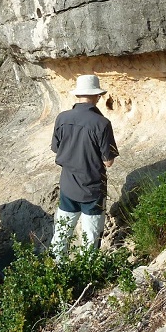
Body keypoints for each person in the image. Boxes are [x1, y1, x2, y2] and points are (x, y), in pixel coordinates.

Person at [51, 74, 119, 261]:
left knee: (61, 235)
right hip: (92, 190)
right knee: (90, 238)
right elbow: (108, 161)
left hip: (68, 187)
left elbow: (55, 149)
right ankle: (87, 276)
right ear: (97, 96)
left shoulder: (62, 118)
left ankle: (59, 271)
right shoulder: (102, 123)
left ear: (78, 95)